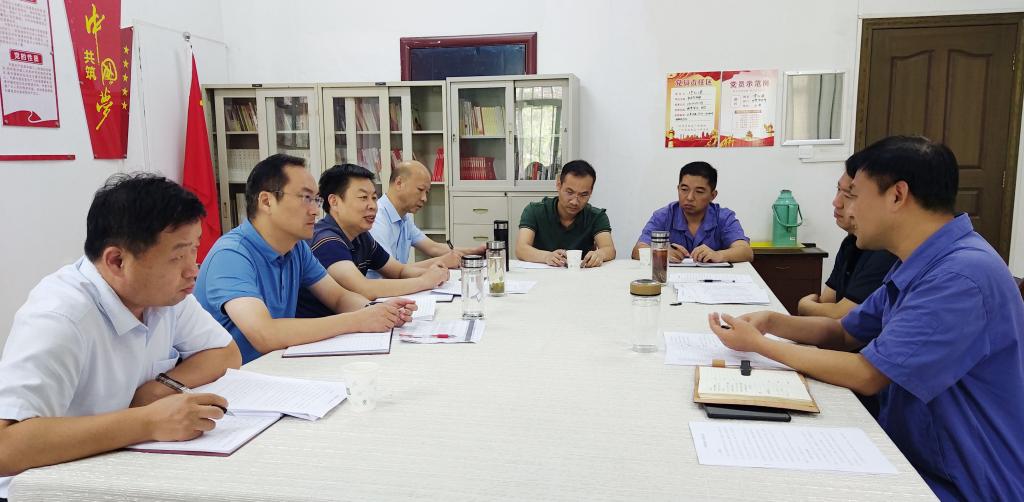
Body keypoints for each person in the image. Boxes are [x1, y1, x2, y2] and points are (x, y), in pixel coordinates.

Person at [707, 136, 1024, 501]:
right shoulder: (918, 261)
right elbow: (844, 332)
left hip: (961, 484)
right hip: (914, 456)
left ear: (897, 196)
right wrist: (773, 322)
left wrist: (760, 346)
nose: (846, 207)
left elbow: (868, 374)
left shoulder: (960, 276)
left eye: (854, 195)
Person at [0, 173, 242, 498]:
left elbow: (225, 353)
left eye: (194, 250)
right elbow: (5, 447)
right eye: (177, 256)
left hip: (121, 470)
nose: (192, 269)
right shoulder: (60, 316)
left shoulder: (164, 296)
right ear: (117, 261)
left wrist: (157, 389)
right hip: (45, 489)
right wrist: (146, 421)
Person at [196, 154, 414, 364]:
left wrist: (377, 311)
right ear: (266, 201)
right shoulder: (231, 255)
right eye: (305, 198)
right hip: (235, 378)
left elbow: (338, 298)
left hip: (277, 364)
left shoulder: (296, 247)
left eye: (316, 199)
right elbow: (264, 334)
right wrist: (358, 320)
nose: (315, 211)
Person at [295, 164, 449, 317]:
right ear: (334, 201)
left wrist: (433, 273)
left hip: (350, 319)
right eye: (363, 198)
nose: (373, 206)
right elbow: (363, 288)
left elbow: (399, 271)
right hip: (322, 327)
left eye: (374, 198)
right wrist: (425, 281)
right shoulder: (326, 240)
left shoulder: (361, 236)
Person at [797, 172, 897, 318]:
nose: (836, 202)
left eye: (850, 195)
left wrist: (804, 305)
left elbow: (840, 315)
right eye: (838, 190)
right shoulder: (851, 242)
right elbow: (825, 302)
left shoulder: (886, 250)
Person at [370, 160, 482, 270]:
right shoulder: (376, 219)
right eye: (420, 189)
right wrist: (441, 261)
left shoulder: (404, 219)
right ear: (399, 183)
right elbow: (393, 271)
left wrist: (476, 251)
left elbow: (433, 247)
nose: (424, 198)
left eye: (426, 192)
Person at [631, 161, 752, 263]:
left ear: (713, 195)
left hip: (712, 280)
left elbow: (746, 251)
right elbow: (637, 250)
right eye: (684, 189)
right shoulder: (664, 216)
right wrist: (660, 254)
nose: (689, 197)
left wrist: (719, 255)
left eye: (699, 192)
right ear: (678, 189)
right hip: (672, 279)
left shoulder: (724, 217)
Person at [515, 160, 616, 267]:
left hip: (581, 275)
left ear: (591, 192)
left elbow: (609, 249)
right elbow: (521, 249)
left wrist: (599, 254)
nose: (575, 202)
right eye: (569, 192)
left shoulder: (597, 216)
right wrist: (546, 256)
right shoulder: (534, 211)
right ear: (559, 185)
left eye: (583, 195)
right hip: (543, 274)